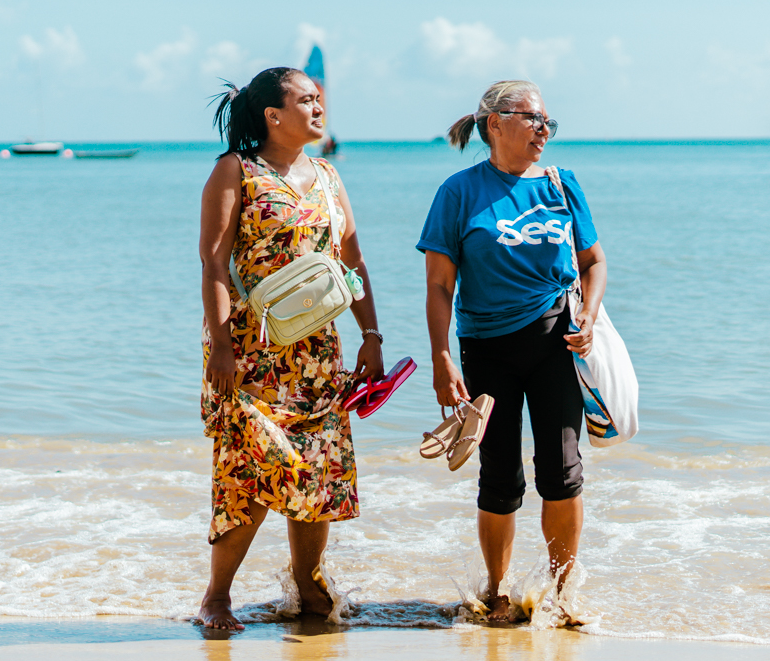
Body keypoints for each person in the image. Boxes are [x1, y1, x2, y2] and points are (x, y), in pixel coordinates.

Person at [198, 67, 384, 629]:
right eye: (307, 100)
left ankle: (307, 584)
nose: (319, 107)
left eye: (319, 99)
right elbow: (214, 261)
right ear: (273, 116)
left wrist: (371, 335)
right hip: (250, 351)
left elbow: (352, 261)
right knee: (252, 468)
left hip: (317, 352)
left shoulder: (327, 175)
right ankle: (217, 596)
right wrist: (222, 344)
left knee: (316, 471)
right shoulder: (236, 170)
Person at [417, 80, 607, 622]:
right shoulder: (458, 192)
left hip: (556, 342)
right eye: (533, 118)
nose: (544, 129)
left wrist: (589, 316)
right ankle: (497, 592)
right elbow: (439, 285)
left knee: (562, 473)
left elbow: (593, 262)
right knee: (499, 477)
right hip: (487, 349)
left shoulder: (562, 185)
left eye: (548, 121)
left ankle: (563, 594)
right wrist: (440, 356)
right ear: (495, 123)